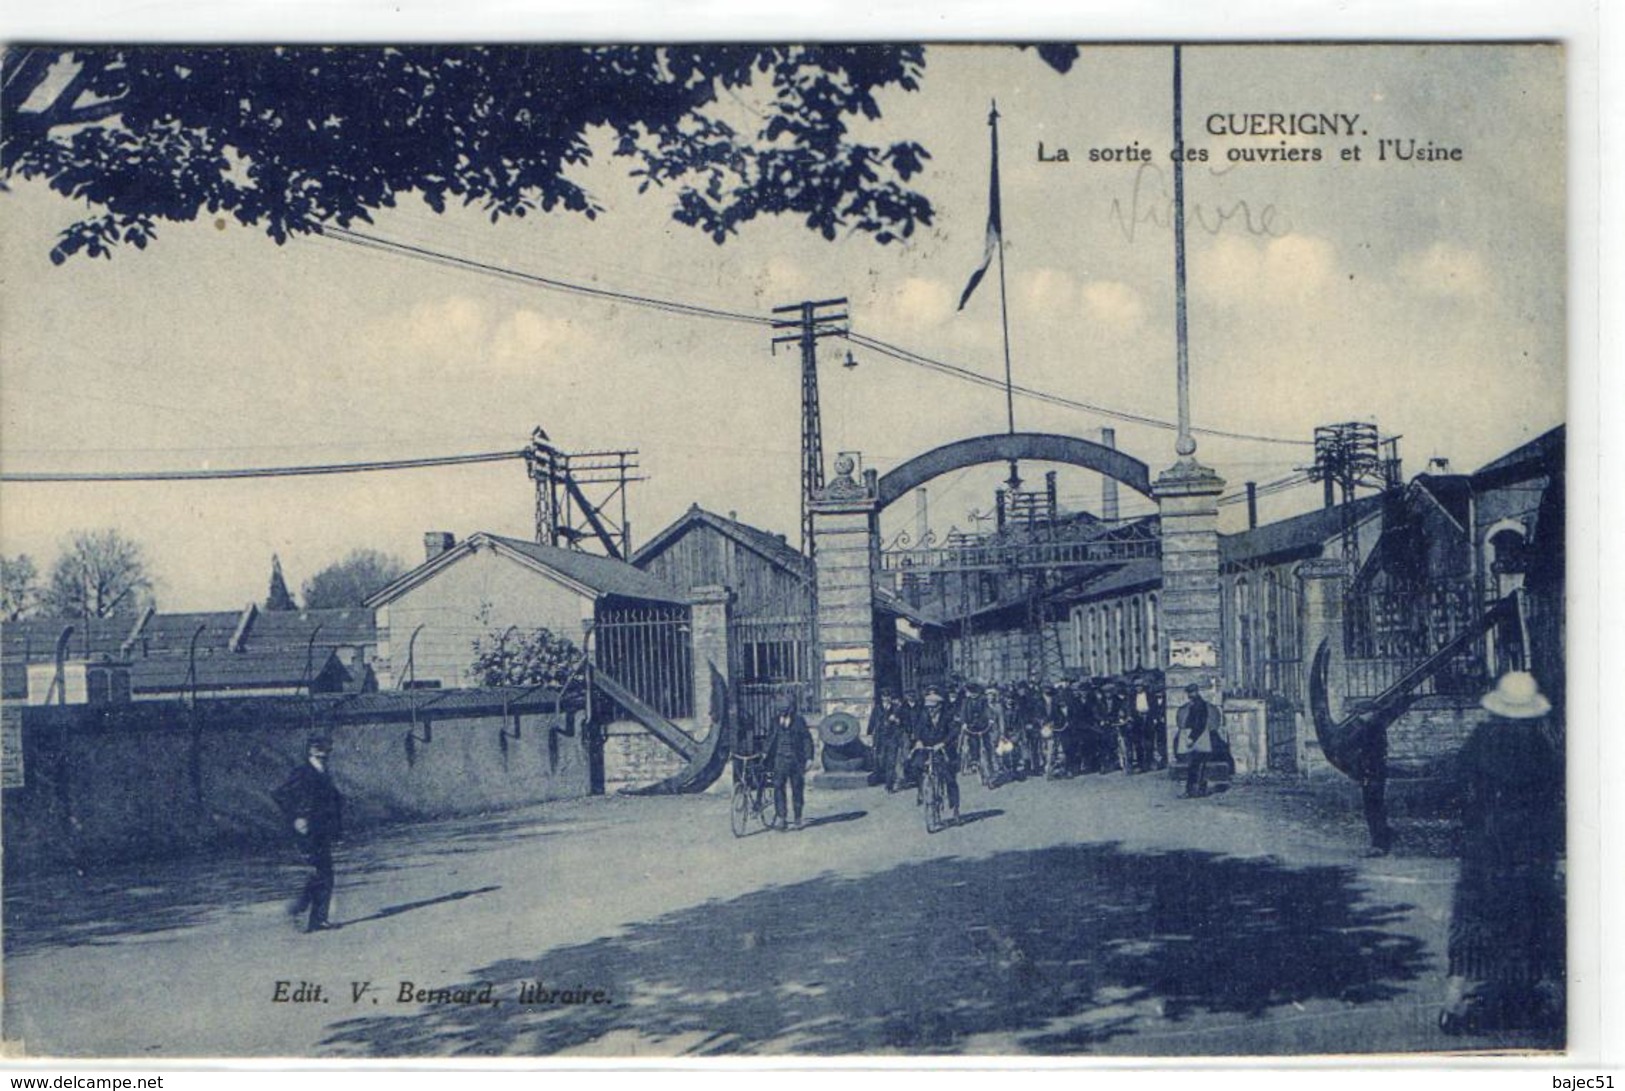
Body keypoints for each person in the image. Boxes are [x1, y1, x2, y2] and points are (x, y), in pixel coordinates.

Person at [1439, 671, 1564, 1036]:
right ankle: (1550, 998)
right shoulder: (1544, 747)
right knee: (1539, 921)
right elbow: (1554, 799)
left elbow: (1456, 783)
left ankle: (1454, 998)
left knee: (1472, 922)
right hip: (1531, 851)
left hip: (1485, 849)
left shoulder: (1481, 740)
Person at [273, 735, 345, 933]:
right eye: (319, 748)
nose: (324, 752)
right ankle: (306, 912)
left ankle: (309, 913)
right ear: (311, 750)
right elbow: (280, 794)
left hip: (322, 830)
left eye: (326, 748)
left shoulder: (323, 771)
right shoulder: (303, 771)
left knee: (323, 873)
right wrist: (297, 817)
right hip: (308, 830)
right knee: (322, 873)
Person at [911, 686, 961, 822]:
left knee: (950, 778)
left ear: (940, 705)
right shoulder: (923, 715)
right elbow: (917, 729)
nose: (930, 710)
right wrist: (918, 741)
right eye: (928, 707)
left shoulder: (948, 715)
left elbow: (954, 731)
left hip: (944, 750)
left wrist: (944, 743)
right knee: (915, 766)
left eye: (933, 707)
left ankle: (954, 807)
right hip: (927, 748)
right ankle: (922, 791)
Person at [765, 693, 814, 831]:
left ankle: (798, 818)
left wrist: (809, 758)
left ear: (791, 709)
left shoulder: (799, 721)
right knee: (778, 787)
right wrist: (765, 753)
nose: (783, 713)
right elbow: (770, 739)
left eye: (785, 710)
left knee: (797, 788)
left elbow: (806, 739)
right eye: (780, 710)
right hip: (779, 760)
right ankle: (782, 818)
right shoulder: (774, 721)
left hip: (796, 760)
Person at [1175, 683, 1216, 798]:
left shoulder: (1199, 705)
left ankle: (1193, 791)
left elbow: (1199, 724)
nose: (1189, 695)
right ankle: (1198, 790)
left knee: (1195, 765)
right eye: (1189, 693)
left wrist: (1192, 738)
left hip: (1198, 738)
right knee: (1198, 765)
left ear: (1196, 692)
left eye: (1191, 692)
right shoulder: (1196, 704)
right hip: (1198, 737)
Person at [867, 690, 905, 792]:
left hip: (892, 738)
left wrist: (897, 720)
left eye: (888, 696)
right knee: (881, 760)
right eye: (884, 696)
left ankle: (889, 785)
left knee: (891, 761)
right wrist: (869, 734)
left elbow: (904, 722)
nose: (886, 698)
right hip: (880, 738)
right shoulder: (877, 708)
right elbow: (872, 721)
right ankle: (880, 778)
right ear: (881, 698)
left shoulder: (897, 708)